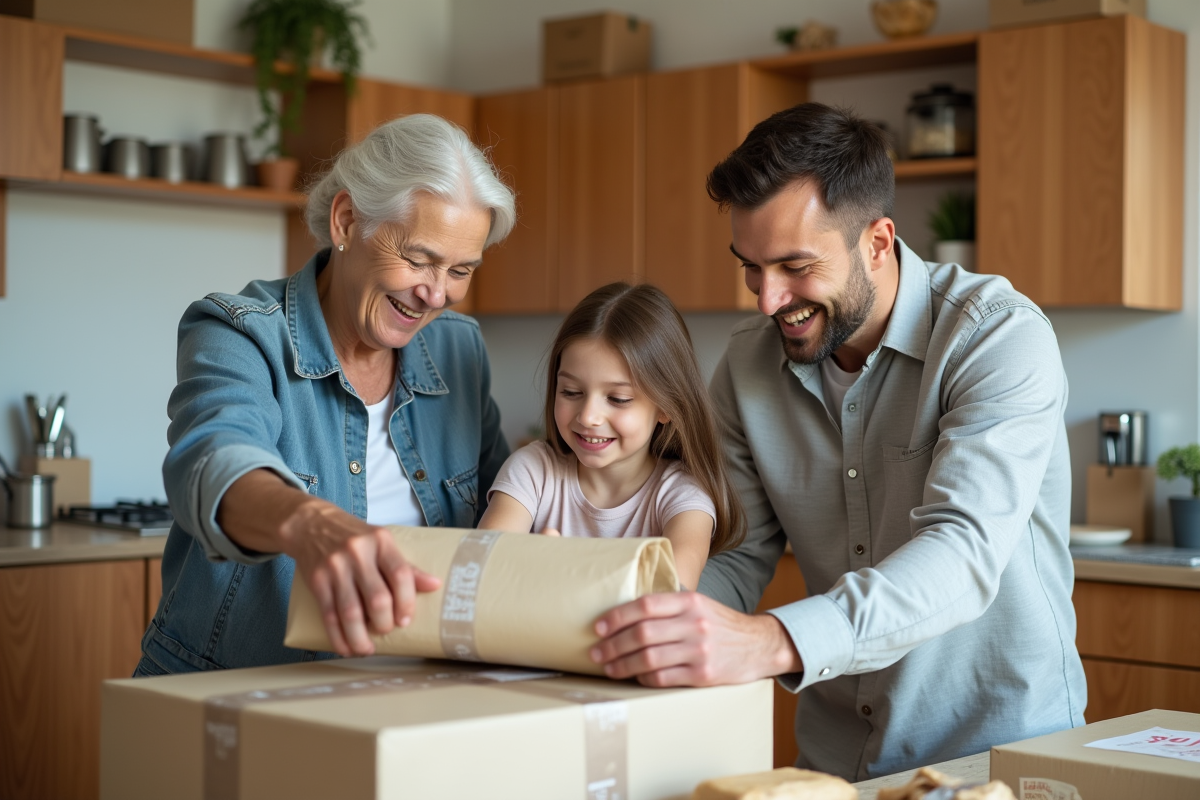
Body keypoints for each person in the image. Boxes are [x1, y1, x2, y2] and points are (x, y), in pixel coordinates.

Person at [588, 103, 1086, 781]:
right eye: (750, 268)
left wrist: (772, 640)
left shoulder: (996, 337)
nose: (768, 300)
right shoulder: (746, 365)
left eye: (794, 266)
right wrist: (643, 631)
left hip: (996, 761)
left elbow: (962, 554)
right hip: (833, 769)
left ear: (877, 242)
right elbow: (736, 558)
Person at [134, 114, 516, 676]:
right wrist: (314, 526)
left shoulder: (460, 350)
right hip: (236, 691)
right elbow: (213, 461)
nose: (436, 293)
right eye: (418, 259)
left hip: (413, 694)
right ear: (346, 221)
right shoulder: (239, 331)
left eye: (461, 269)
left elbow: (503, 499)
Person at [478, 282, 744, 590]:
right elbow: (486, 570)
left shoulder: (684, 495)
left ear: (665, 406)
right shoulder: (532, 470)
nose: (588, 416)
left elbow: (670, 592)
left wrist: (556, 570)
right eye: (571, 392)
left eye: (618, 398)